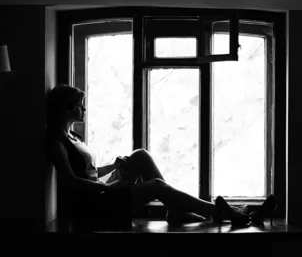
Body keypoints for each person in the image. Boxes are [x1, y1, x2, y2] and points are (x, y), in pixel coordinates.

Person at [45, 84, 251, 228]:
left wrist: (113, 167)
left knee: (140, 155)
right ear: (66, 108)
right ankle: (221, 212)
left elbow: (90, 172)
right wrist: (107, 188)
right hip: (94, 208)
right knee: (157, 186)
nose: (84, 108)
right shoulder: (56, 142)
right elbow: (70, 182)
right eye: (80, 105)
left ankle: (175, 210)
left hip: (102, 194)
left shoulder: (74, 135)